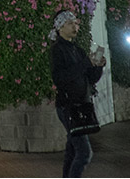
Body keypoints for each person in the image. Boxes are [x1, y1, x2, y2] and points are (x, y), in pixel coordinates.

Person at [50, 10, 104, 178]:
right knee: (84, 153)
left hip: (81, 105)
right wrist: (85, 64)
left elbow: (90, 79)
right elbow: (60, 78)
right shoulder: (57, 50)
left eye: (76, 23)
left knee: (72, 151)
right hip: (68, 106)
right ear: (60, 28)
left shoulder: (77, 50)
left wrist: (98, 66)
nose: (75, 26)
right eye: (70, 24)